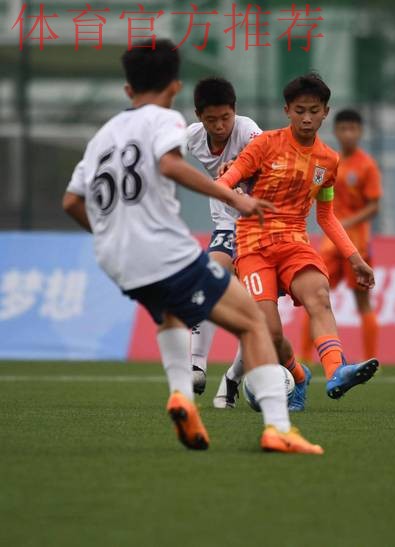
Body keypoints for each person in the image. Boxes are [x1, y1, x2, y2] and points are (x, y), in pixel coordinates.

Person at [61, 39, 323, 455]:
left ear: (128, 89)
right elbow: (169, 164)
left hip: (116, 257)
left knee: (170, 316)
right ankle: (278, 427)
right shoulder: (165, 118)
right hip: (162, 249)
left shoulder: (103, 136)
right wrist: (233, 197)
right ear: (175, 87)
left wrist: (109, 235)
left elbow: (71, 201)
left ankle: (183, 395)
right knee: (254, 322)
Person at [217, 73, 379, 402]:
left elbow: (326, 216)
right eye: (300, 110)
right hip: (253, 244)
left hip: (294, 242)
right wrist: (240, 199)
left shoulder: (328, 161)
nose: (307, 118)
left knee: (319, 295)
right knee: (270, 334)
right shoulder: (264, 145)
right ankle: (299, 375)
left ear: (325, 112)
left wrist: (355, 258)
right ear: (287, 111)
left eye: (314, 111)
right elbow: (224, 183)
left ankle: (336, 370)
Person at [186, 77, 261, 407]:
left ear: (235, 111)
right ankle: (196, 366)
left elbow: (269, 164)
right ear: (198, 116)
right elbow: (162, 157)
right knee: (208, 282)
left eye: (225, 118)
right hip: (227, 225)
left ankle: (232, 379)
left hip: (260, 228)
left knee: (260, 315)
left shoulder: (248, 131)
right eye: (211, 119)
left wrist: (242, 172)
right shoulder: (191, 137)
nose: (219, 126)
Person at [300, 109, 383, 363]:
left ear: (360, 132)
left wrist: (346, 222)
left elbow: (374, 206)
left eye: (353, 129)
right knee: (314, 295)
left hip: (357, 243)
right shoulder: (329, 161)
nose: (348, 134)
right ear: (336, 131)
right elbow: (314, 189)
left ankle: (371, 359)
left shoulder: (367, 165)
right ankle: (305, 357)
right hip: (330, 243)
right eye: (344, 129)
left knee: (362, 301)